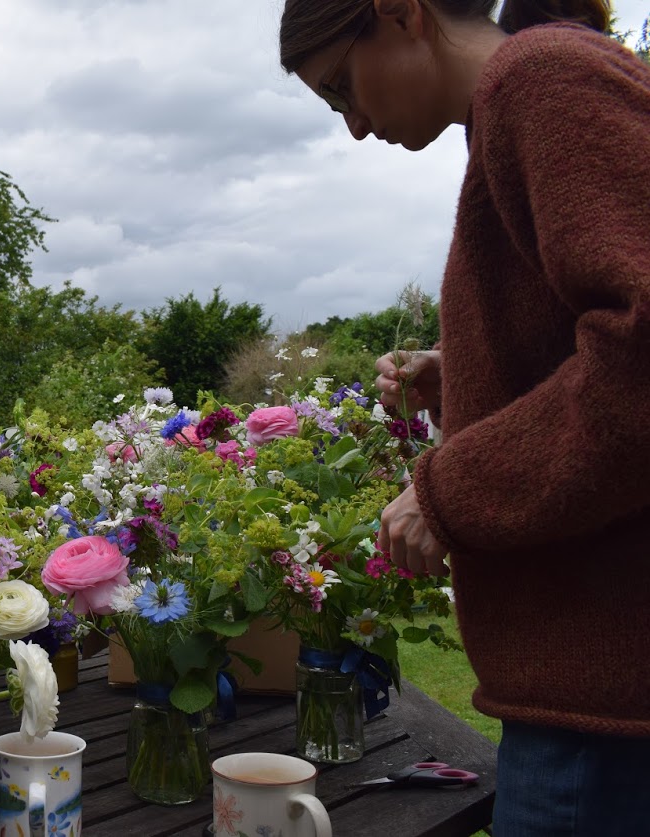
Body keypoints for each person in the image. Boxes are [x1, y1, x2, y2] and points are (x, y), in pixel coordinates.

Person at [279, 1, 650, 834]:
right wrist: (465, 378)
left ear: (402, 13)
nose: (354, 126)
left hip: (605, 708)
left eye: (342, 87)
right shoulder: (523, 96)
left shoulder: (541, 77)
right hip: (588, 694)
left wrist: (448, 487)